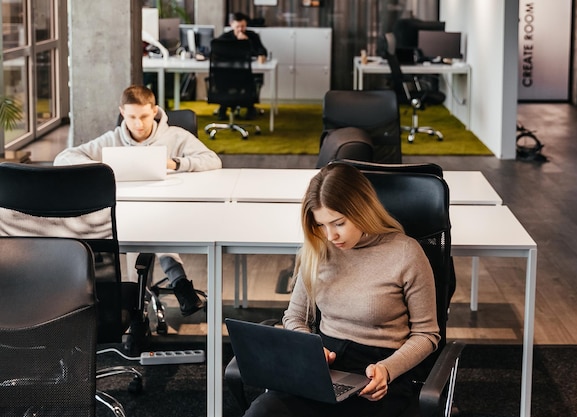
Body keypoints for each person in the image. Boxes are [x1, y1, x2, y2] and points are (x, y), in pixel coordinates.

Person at [243, 163, 440, 417]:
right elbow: (294, 317)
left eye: (338, 223)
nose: (330, 235)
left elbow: (427, 334)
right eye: (321, 225)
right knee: (263, 411)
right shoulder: (318, 249)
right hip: (323, 368)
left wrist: (387, 370)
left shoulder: (405, 253)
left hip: (378, 372)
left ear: (362, 209)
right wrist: (310, 350)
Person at [54, 84, 222, 317]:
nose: (138, 124)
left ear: (154, 110)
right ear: (122, 112)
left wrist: (174, 163)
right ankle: (179, 282)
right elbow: (63, 158)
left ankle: (136, 311)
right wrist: (100, 168)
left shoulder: (175, 136)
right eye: (132, 117)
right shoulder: (112, 139)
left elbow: (212, 160)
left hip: (169, 209)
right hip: (129, 210)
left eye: (144, 116)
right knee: (142, 228)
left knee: (153, 226)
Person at [216, 12, 268, 120]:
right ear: (231, 25)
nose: (240, 29)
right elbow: (216, 51)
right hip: (230, 73)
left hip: (248, 74)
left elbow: (262, 51)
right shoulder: (225, 37)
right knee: (224, 78)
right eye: (237, 27)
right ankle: (223, 107)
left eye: (243, 26)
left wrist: (247, 42)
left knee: (249, 81)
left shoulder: (252, 36)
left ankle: (250, 107)